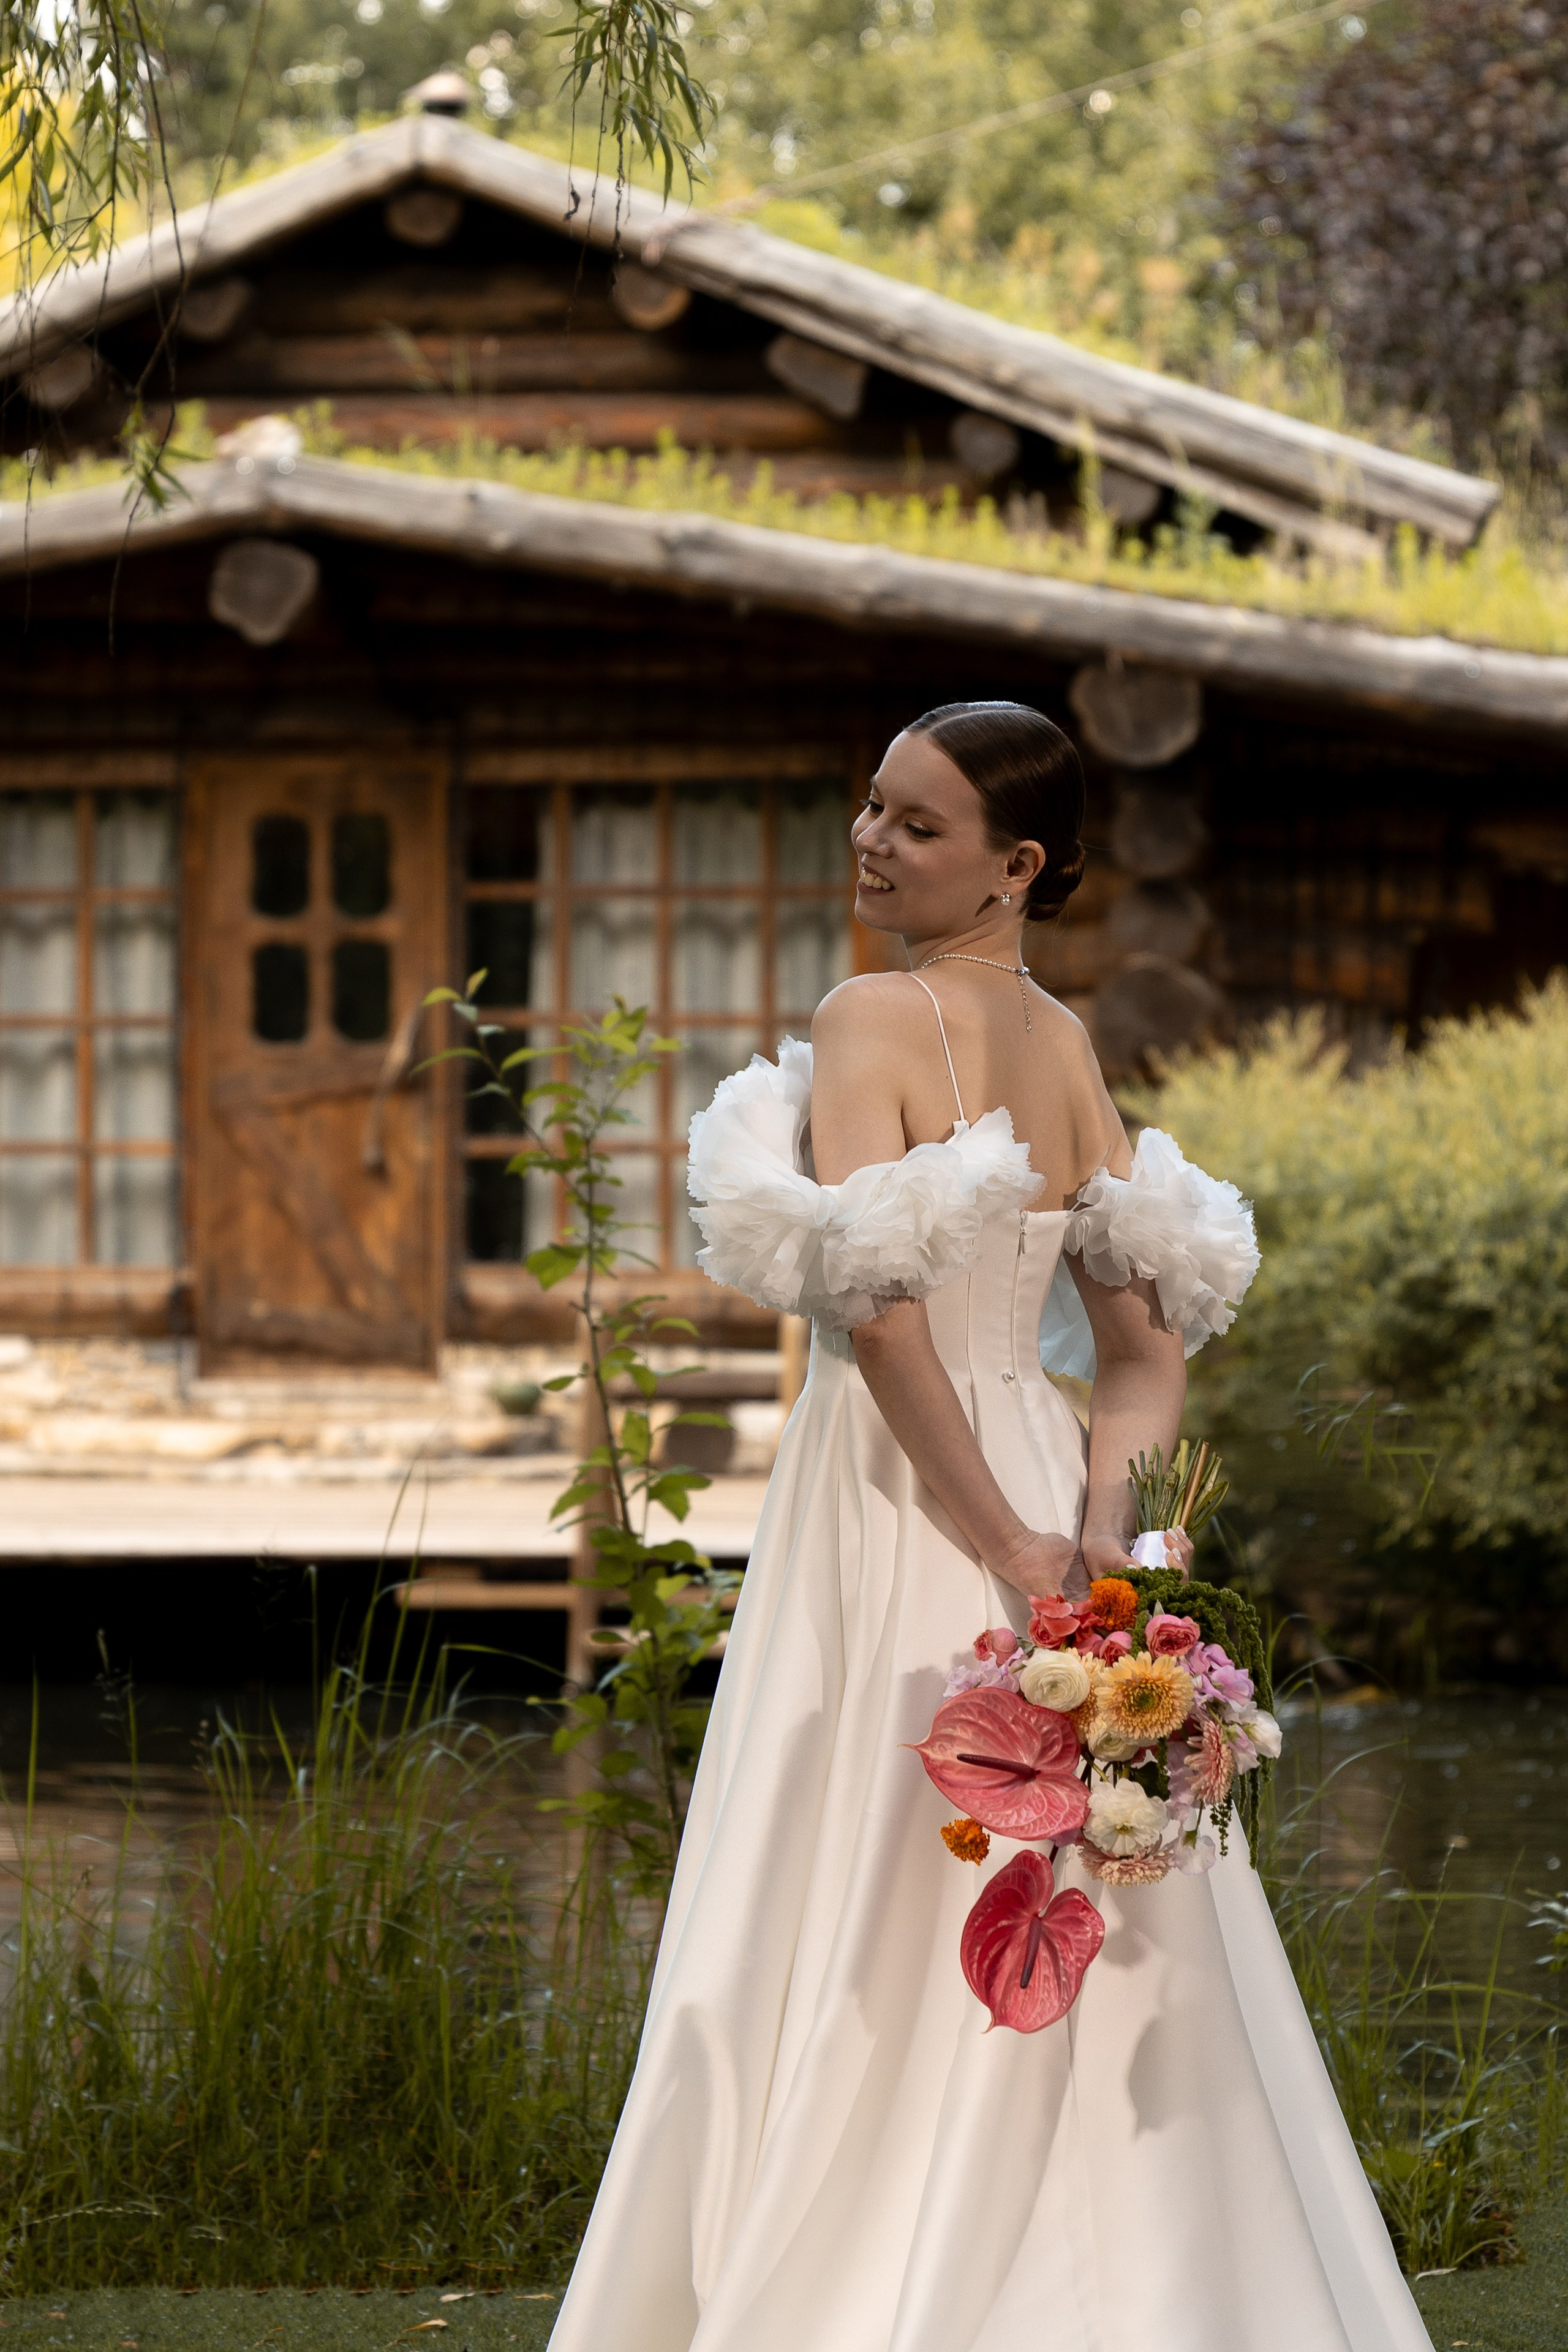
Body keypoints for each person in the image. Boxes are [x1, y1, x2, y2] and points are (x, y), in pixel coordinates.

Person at [549, 703, 1433, 2352]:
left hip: (904, 1495)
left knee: (854, 1866)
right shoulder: (1071, 1045)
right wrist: (1109, 1556)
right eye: (872, 806)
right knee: (1038, 1848)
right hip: (1027, 1472)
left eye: (922, 824)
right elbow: (1146, 1354)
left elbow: (881, 1324)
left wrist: (1023, 1557)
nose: (875, 841)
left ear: (1020, 865)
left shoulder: (869, 1013)